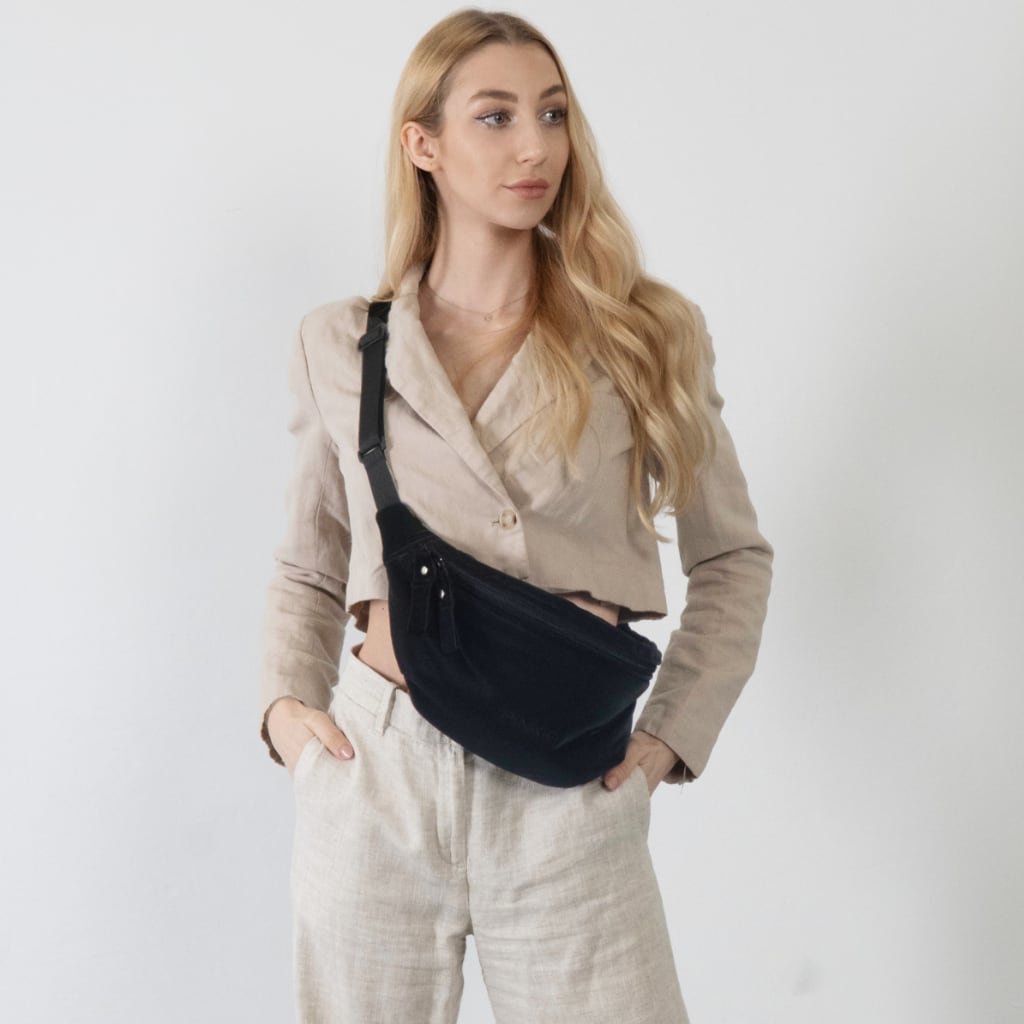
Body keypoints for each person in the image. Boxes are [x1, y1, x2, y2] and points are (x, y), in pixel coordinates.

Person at [259, 8, 773, 1022]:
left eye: (552, 113)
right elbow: (311, 562)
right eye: (494, 117)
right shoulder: (343, 342)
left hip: (569, 780)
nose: (534, 145)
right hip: (378, 775)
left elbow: (734, 558)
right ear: (423, 145)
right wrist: (287, 713)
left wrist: (670, 736)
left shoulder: (643, 332)